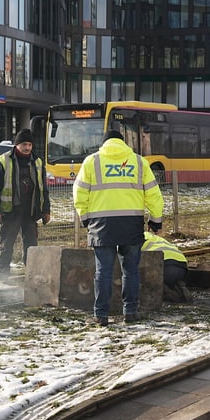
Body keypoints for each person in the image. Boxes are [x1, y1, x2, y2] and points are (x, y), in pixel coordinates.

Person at [74, 129, 164, 326]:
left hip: (101, 225)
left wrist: (86, 218)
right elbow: (153, 195)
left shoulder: (92, 161)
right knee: (130, 270)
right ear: (123, 143)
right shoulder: (139, 162)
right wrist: (155, 220)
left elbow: (79, 192)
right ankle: (130, 311)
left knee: (103, 271)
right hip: (131, 225)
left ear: (104, 142)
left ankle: (101, 315)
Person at [0, 129, 51, 282]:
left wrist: (46, 210)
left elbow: (44, 188)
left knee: (31, 246)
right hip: (10, 211)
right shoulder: (2, 161)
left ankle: (32, 276)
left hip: (30, 212)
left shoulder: (38, 161)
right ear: (17, 145)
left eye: (29, 144)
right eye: (24, 144)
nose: (27, 147)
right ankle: (2, 277)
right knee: (6, 245)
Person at [142, 231, 192, 302]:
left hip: (165, 267)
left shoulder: (131, 238)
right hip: (182, 265)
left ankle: (169, 293)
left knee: (144, 281)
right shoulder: (149, 235)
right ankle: (177, 286)